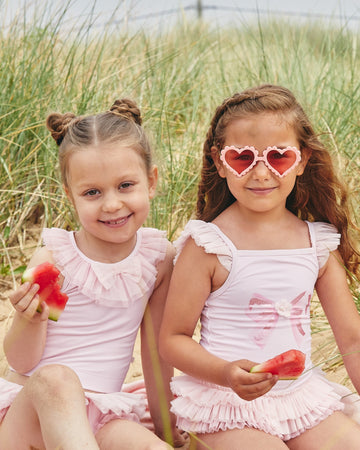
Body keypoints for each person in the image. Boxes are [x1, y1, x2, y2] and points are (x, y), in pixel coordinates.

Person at [159, 84, 360, 449]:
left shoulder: (317, 243)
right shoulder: (209, 245)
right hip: (226, 406)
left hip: (301, 400)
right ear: (220, 161)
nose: (262, 173)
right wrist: (225, 373)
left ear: (301, 160)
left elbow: (352, 340)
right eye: (243, 158)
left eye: (278, 157)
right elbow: (172, 340)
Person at [0, 99, 187, 449]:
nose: (112, 204)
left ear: (152, 181)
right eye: (92, 193)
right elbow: (21, 360)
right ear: (71, 197)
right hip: (32, 416)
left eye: (126, 186)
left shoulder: (159, 259)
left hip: (101, 415)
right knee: (57, 379)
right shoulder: (54, 259)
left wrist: (165, 428)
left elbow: (156, 352)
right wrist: (31, 319)